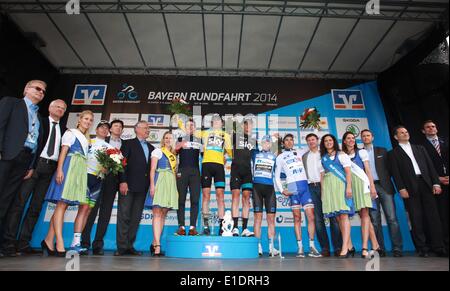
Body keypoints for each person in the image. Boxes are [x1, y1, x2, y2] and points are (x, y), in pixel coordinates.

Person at [1, 99, 67, 257]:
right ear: (50, 107)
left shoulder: (65, 130)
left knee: (36, 208)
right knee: (19, 204)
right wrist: (31, 166)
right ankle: (8, 243)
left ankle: (23, 243)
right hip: (34, 166)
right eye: (57, 106)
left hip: (50, 170)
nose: (60, 109)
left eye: (63, 108)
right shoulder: (39, 121)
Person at [0, 80, 46, 254]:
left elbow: (37, 144)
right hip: (7, 156)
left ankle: (4, 245)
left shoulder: (39, 117)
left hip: (25, 161)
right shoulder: (11, 102)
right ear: (26, 89)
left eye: (43, 91)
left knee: (7, 201)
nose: (41, 92)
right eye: (37, 88)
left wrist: (32, 165)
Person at [389, 126, 446, 257]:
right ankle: (422, 248)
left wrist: (436, 183)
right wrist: (401, 188)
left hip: (426, 184)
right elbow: (396, 174)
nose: (405, 134)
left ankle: (438, 246)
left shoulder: (420, 148)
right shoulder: (393, 153)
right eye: (402, 132)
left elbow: (430, 167)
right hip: (409, 187)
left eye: (406, 131)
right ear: (396, 137)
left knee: (433, 217)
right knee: (416, 218)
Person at [43, 110, 94, 256]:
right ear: (79, 119)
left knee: (63, 206)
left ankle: (48, 239)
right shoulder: (71, 133)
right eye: (85, 118)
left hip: (78, 171)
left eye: (90, 120)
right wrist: (60, 170)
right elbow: (63, 152)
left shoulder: (86, 138)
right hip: (68, 168)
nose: (88, 121)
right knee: (61, 204)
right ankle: (59, 242)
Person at [178, 114, 233, 235]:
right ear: (211, 123)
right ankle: (206, 225)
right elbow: (184, 127)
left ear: (222, 124)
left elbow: (231, 152)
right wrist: (180, 111)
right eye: (214, 121)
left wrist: (226, 157)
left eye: (218, 121)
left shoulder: (227, 136)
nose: (216, 122)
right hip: (206, 165)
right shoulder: (204, 133)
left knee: (220, 196)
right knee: (206, 196)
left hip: (219, 166)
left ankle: (222, 226)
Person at [274, 134, 321, 258]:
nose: (289, 142)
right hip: (292, 187)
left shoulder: (300, 151)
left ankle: (312, 246)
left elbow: (313, 143)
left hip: (304, 186)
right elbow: (277, 175)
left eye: (291, 140)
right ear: (283, 143)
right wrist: (282, 190)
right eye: (286, 140)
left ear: (293, 141)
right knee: (297, 218)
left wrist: (315, 125)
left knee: (311, 217)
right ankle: (300, 247)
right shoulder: (280, 157)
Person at [81, 119, 124, 255]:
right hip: (95, 179)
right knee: (89, 211)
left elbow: (122, 163)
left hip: (112, 182)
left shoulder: (123, 144)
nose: (105, 130)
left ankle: (98, 244)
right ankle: (84, 243)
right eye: (103, 128)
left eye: (120, 127)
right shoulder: (92, 142)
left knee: (105, 213)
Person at [361, 129, 403, 257]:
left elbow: (391, 169)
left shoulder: (382, 151)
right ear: (361, 139)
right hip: (369, 188)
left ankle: (397, 248)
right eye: (363, 136)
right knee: (375, 220)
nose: (366, 137)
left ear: (372, 137)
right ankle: (380, 249)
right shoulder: (360, 153)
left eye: (368, 135)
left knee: (392, 218)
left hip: (384, 186)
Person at [116, 121, 154, 256]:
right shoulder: (127, 144)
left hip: (143, 188)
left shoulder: (151, 147)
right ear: (136, 129)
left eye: (148, 128)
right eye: (145, 128)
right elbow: (121, 164)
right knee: (124, 216)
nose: (148, 130)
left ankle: (129, 246)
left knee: (136, 217)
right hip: (128, 185)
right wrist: (123, 181)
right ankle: (121, 247)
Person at [342, 131, 382, 258]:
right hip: (350, 187)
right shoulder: (342, 155)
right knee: (364, 216)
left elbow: (368, 170)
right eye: (348, 138)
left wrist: (372, 187)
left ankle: (364, 247)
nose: (351, 140)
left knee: (365, 214)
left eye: (353, 138)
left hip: (363, 186)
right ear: (344, 141)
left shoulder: (362, 152)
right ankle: (376, 245)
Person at [302, 133, 342, 257]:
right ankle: (325, 248)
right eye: (308, 140)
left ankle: (338, 247)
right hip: (311, 187)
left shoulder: (324, 154)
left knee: (333, 217)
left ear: (317, 140)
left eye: (313, 139)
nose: (311, 142)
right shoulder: (304, 156)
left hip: (327, 185)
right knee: (318, 219)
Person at [320, 134, 355, 258]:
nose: (328, 142)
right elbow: (322, 176)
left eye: (330, 140)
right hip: (329, 188)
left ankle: (344, 247)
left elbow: (348, 173)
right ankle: (350, 246)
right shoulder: (323, 158)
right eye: (326, 141)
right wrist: (323, 193)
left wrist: (349, 187)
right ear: (323, 143)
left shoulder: (341, 155)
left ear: (334, 142)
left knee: (344, 215)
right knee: (338, 218)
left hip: (341, 185)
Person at [146, 132, 179, 256]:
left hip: (170, 183)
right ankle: (158, 245)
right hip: (159, 181)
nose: (168, 140)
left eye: (170, 138)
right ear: (163, 140)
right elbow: (152, 169)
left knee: (163, 214)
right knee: (157, 213)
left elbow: (174, 173)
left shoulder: (174, 156)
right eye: (166, 138)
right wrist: (152, 185)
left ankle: (155, 242)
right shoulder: (158, 151)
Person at [421, 120, 449, 253]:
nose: (431, 129)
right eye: (428, 127)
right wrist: (437, 179)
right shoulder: (421, 147)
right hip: (435, 184)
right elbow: (423, 167)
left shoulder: (446, 142)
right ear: (423, 131)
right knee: (441, 215)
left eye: (433, 126)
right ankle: (443, 244)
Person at [251, 135, 279, 256]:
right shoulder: (255, 153)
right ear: (261, 143)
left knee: (271, 219)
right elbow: (251, 141)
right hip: (257, 188)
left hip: (270, 189)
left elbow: (280, 172)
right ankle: (258, 246)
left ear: (271, 144)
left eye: (269, 142)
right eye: (264, 142)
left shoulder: (275, 156)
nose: (266, 144)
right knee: (257, 218)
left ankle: (272, 247)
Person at [230, 118, 257, 237]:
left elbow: (256, 157)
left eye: (249, 125)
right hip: (236, 170)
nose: (247, 127)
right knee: (235, 197)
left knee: (246, 198)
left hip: (247, 172)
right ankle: (235, 227)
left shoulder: (253, 140)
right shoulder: (235, 136)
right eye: (245, 125)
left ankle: (245, 228)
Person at [175, 118, 202, 236]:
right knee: (180, 199)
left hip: (195, 172)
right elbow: (174, 152)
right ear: (184, 128)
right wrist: (178, 145)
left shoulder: (199, 140)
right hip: (182, 171)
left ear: (195, 128)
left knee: (195, 200)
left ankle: (192, 227)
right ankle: (181, 226)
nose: (190, 127)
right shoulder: (180, 139)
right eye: (188, 126)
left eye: (192, 126)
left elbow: (205, 154)